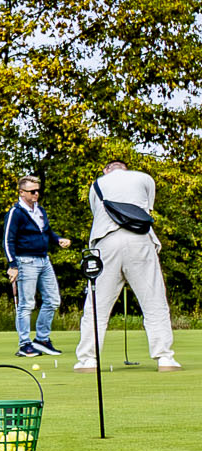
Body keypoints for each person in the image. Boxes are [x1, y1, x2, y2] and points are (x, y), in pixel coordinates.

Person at [74, 159, 179, 372]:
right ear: (125, 168)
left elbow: (98, 215)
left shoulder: (96, 185)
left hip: (106, 242)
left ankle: (88, 359)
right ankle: (165, 358)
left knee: (97, 304)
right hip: (140, 241)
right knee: (154, 301)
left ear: (106, 170)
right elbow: (145, 212)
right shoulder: (145, 179)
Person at [3, 175, 71, 358]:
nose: (36, 194)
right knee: (26, 305)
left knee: (53, 300)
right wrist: (12, 265)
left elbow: (47, 231)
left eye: (38, 190)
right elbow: (8, 240)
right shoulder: (15, 213)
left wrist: (58, 240)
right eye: (32, 191)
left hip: (43, 260)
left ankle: (41, 339)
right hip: (25, 262)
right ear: (21, 192)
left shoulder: (39, 210)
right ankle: (25, 344)